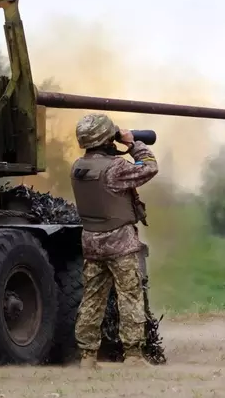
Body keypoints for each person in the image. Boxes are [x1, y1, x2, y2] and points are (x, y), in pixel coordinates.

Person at [70, 113, 159, 369]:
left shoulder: (77, 166)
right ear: (106, 137)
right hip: (120, 243)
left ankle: (87, 357)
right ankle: (132, 355)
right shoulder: (116, 168)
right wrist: (133, 143)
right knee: (129, 296)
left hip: (92, 243)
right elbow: (150, 167)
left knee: (92, 299)